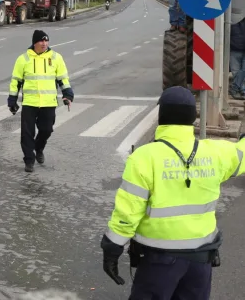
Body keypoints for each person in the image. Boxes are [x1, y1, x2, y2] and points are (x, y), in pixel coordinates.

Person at [100, 86, 245, 299]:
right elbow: (241, 154)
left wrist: (112, 247)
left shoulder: (144, 157)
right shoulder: (216, 153)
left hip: (158, 262)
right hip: (200, 261)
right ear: (192, 117)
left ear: (162, 116)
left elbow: (128, 211)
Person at [8, 29, 74, 172]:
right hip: (30, 103)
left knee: (46, 130)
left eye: (46, 41)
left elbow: (63, 79)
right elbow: (16, 81)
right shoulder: (23, 59)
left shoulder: (56, 58)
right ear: (34, 43)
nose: (44, 43)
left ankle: (39, 148)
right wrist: (12, 100)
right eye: (41, 41)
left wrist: (68, 95)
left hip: (48, 102)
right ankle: (29, 160)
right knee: (27, 133)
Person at [229, 18, 245, 100]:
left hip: (237, 50)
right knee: (236, 72)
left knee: (242, 71)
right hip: (234, 50)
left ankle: (235, 88)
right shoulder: (230, 23)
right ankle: (242, 89)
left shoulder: (230, 22)